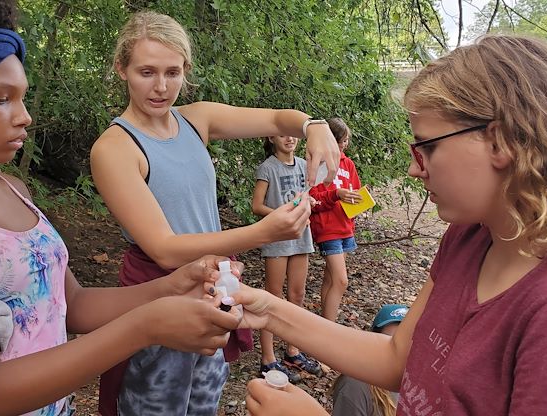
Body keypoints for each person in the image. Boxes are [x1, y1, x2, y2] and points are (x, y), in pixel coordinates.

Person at [0, 1, 241, 415]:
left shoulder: (14, 190)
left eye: (22, 98)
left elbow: (72, 307)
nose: (24, 117)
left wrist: (171, 287)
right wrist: (147, 326)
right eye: (1, 99)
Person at [230, 34, 547, 416]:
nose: (413, 168)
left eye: (427, 147)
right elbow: (397, 359)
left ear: (500, 141)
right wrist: (267, 308)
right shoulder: (470, 236)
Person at [90, 10, 340, 416]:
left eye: (173, 72)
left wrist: (314, 125)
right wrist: (262, 232)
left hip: (218, 289)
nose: (161, 87)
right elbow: (165, 250)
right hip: (160, 293)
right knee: (155, 405)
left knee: (204, 401)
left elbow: (278, 119)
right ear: (121, 69)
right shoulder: (114, 148)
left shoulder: (196, 119)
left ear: (185, 70)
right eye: (146, 72)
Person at [252, 135, 321, 383]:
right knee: (273, 297)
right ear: (272, 137)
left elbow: (304, 196)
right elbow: (257, 205)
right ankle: (268, 359)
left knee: (297, 295)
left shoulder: (304, 165)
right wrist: (283, 216)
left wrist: (307, 203)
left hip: (301, 234)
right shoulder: (268, 167)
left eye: (293, 134)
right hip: (278, 237)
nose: (289, 139)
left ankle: (293, 351)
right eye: (282, 134)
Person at [309, 117, 363, 322]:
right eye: (341, 140)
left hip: (345, 226)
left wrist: (359, 203)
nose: (344, 145)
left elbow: (355, 191)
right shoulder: (319, 164)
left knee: (331, 279)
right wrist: (335, 194)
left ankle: (325, 321)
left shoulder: (348, 164)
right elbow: (313, 199)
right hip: (327, 229)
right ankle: (330, 329)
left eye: (346, 140)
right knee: (342, 281)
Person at [331, 304, 408, 416]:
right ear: (373, 340)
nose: (400, 349)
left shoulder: (420, 383)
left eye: (408, 342)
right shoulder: (356, 385)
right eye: (391, 342)